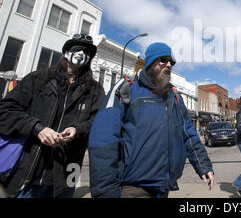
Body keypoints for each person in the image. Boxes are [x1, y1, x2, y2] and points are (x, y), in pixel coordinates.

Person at [88, 42, 214, 198]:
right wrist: (105, 191)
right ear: (150, 61)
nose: (169, 65)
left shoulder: (174, 97)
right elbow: (103, 139)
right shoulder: (126, 88)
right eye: (163, 60)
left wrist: (203, 166)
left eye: (172, 62)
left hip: (163, 187)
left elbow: (188, 134)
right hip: (133, 188)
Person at [0, 34, 105, 198]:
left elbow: (99, 122)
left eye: (86, 52)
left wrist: (77, 129)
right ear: (65, 53)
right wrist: (37, 128)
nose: (80, 54)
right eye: (76, 49)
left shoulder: (95, 90)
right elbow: (5, 110)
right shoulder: (38, 79)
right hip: (29, 174)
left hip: (68, 173)